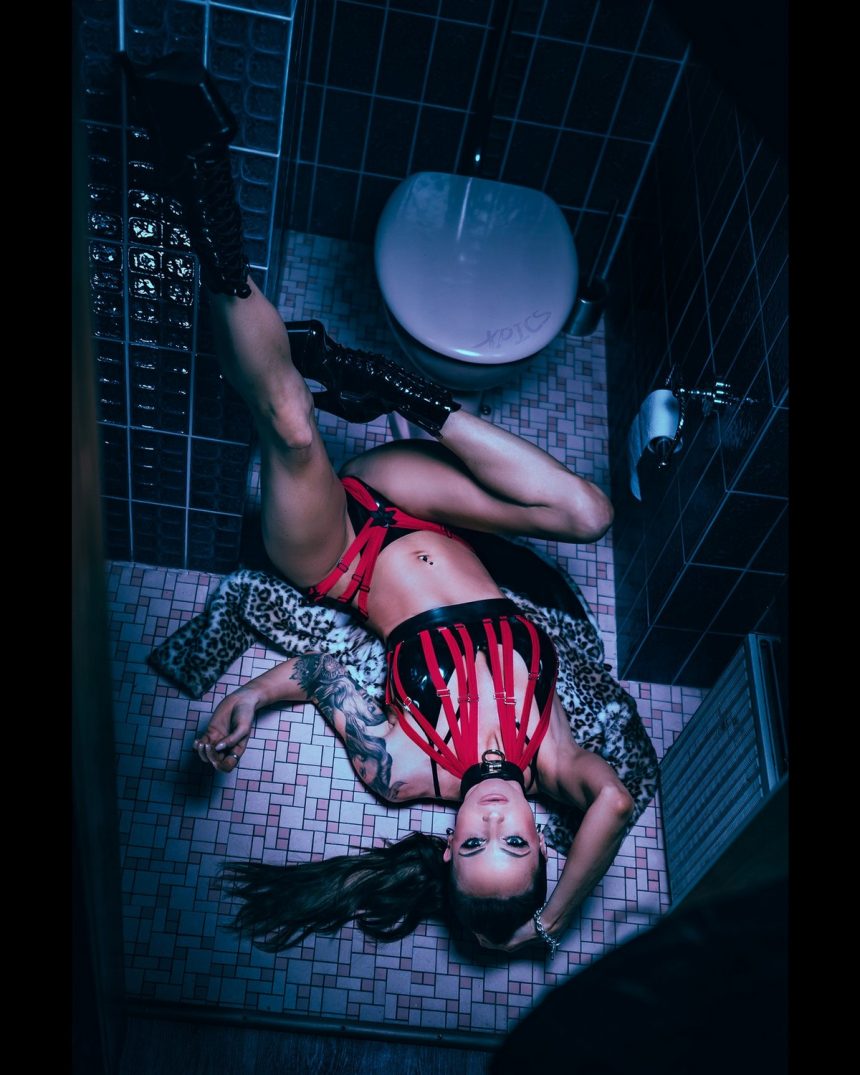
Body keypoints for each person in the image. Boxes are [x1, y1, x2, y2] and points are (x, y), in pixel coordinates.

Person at [121, 52, 635, 958]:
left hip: (341, 558)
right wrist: (547, 928)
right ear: (541, 839)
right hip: (422, 506)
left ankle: (200, 187)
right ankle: (391, 386)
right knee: (589, 513)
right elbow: (617, 803)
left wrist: (249, 695)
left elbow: (320, 671)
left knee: (290, 425)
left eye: (472, 845)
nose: (492, 820)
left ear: (447, 843)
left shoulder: (405, 775)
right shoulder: (559, 761)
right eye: (515, 843)